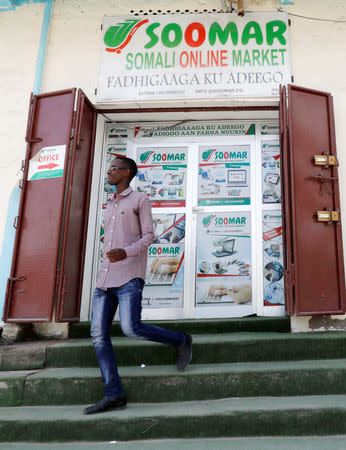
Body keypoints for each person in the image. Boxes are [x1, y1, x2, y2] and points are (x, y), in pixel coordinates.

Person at [83, 157, 192, 415]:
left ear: (127, 172)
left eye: (113, 168)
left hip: (130, 274)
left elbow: (149, 236)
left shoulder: (140, 199)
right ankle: (114, 395)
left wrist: (127, 252)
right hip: (105, 278)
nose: (108, 171)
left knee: (131, 328)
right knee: (98, 334)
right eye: (108, 166)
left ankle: (181, 339)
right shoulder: (109, 203)